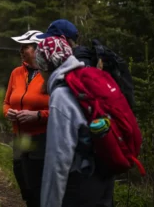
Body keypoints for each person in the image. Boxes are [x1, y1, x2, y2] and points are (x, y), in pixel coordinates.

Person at [34, 36, 115, 207]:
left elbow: (58, 160)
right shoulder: (91, 78)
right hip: (105, 178)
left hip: (80, 183)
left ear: (45, 67)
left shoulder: (61, 96)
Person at [2, 30, 50, 207]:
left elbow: (60, 110)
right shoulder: (16, 73)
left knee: (38, 185)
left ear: (38, 49)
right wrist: (8, 113)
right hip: (19, 137)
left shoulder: (51, 74)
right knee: (23, 180)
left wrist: (37, 115)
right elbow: (6, 102)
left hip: (41, 138)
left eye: (25, 47)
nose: (21, 50)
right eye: (21, 47)